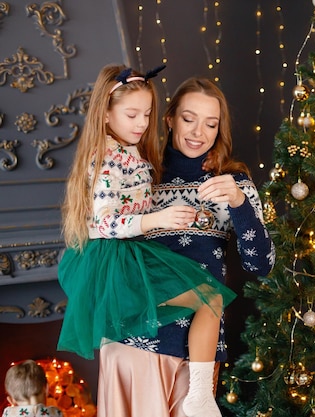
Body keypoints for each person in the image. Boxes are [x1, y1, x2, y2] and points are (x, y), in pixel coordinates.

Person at [57, 64, 237, 417]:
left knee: (209, 299)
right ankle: (199, 396)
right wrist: (157, 219)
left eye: (147, 114)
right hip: (116, 259)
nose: (141, 123)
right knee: (209, 297)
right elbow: (102, 223)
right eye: (131, 114)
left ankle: (197, 392)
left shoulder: (130, 151)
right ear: (106, 115)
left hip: (132, 253)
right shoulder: (108, 157)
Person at [96, 77, 275, 417]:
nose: (198, 132)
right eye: (188, 119)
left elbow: (261, 266)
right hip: (137, 338)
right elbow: (105, 236)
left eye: (211, 123)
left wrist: (240, 204)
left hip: (199, 359)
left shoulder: (232, 183)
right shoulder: (139, 174)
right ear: (169, 119)